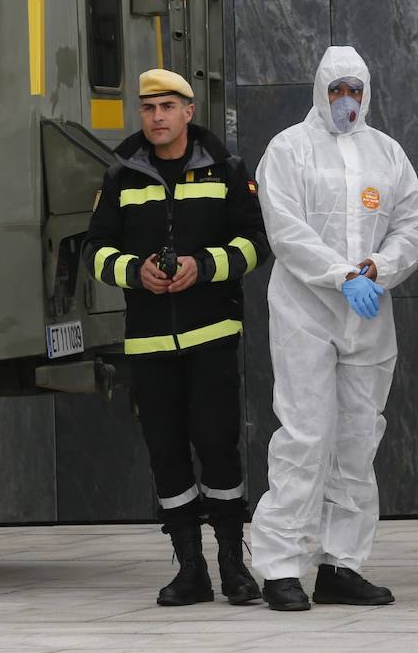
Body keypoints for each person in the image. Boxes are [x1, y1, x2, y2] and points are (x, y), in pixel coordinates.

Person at [249, 46, 418, 612]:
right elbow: (287, 230)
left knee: (357, 438)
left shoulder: (387, 153)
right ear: (320, 90)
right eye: (335, 90)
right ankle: (280, 564)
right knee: (305, 436)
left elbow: (411, 224)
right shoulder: (289, 149)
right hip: (307, 310)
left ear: (367, 91)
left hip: (369, 313)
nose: (345, 101)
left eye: (354, 89)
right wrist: (342, 272)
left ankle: (341, 563)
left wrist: (379, 269)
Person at [83, 68, 269, 607]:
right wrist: (133, 270)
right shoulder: (121, 174)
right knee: (165, 454)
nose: (157, 117)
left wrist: (204, 265)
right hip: (149, 345)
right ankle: (191, 568)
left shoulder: (227, 169)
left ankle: (233, 563)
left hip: (212, 335)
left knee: (218, 447)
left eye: (168, 106)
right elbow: (94, 250)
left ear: (189, 111)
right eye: (148, 108)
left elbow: (256, 241)